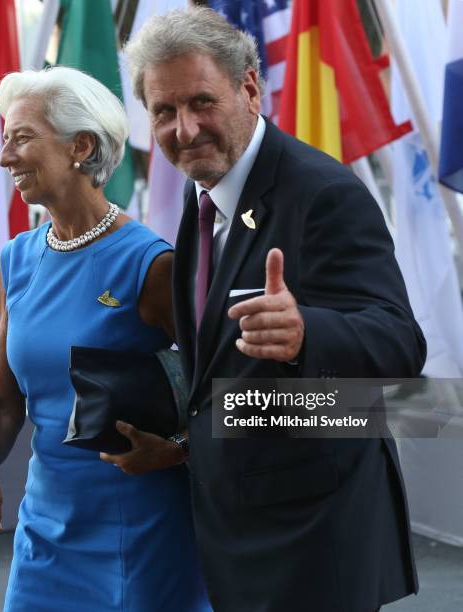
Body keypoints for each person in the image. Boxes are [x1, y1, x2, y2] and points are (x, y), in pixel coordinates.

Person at [124, 7, 427, 612]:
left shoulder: (325, 193)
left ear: (250, 87)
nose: (184, 130)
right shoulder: (203, 189)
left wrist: (305, 333)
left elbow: (400, 343)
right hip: (235, 531)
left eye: (200, 103)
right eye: (164, 111)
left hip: (314, 539)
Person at [0, 66, 210, 612]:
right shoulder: (16, 259)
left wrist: (181, 448)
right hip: (44, 534)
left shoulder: (152, 264)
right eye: (4, 140)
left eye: (21, 138)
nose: (4, 157)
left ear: (81, 146)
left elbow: (223, 389)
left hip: (140, 537)